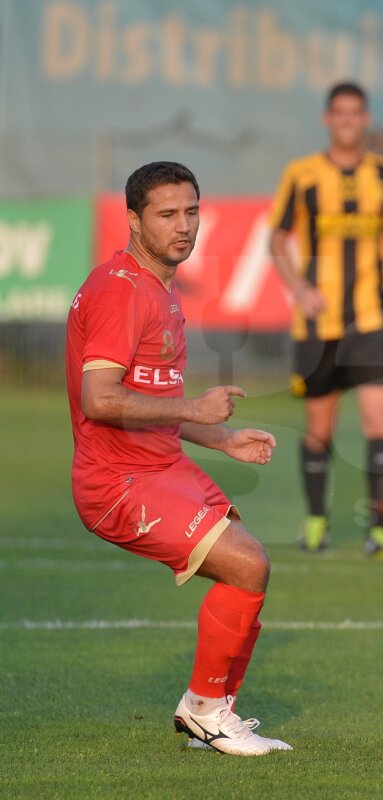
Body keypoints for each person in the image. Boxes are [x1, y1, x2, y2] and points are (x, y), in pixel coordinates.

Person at [66, 161, 291, 756]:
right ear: (134, 220)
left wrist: (223, 439)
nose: (183, 226)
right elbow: (100, 398)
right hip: (117, 481)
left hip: (159, 465)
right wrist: (195, 408)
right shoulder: (121, 290)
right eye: (167, 214)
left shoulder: (160, 288)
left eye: (191, 212)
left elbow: (152, 398)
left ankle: (212, 710)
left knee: (251, 566)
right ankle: (206, 710)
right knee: (245, 565)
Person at [268, 80, 383, 557]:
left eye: (356, 112)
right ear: (327, 119)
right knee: (320, 428)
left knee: (379, 421)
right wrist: (298, 287)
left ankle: (378, 530)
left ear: (366, 118)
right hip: (318, 326)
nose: (348, 119)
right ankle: (317, 522)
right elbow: (277, 238)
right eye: (340, 112)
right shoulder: (303, 174)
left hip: (374, 320)